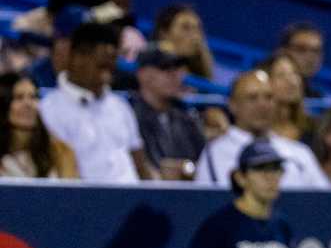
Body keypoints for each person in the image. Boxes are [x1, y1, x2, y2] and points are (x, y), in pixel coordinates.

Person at [39, 22, 153, 183]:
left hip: (132, 193)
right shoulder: (50, 109)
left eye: (112, 63)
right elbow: (60, 168)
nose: (108, 70)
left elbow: (139, 162)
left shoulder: (121, 106)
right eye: (101, 66)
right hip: (84, 195)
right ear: (77, 57)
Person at [194, 69, 329, 189]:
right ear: (233, 105)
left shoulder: (300, 153)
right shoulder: (214, 154)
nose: (262, 105)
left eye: (268, 97)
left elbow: (325, 200)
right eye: (252, 98)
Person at [129, 44, 205, 180]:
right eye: (165, 68)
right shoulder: (129, 117)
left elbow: (201, 163)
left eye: (177, 68)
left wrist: (188, 169)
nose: (175, 75)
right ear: (143, 75)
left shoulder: (187, 118)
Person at [0, 72, 78, 179]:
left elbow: (71, 188)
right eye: (19, 97)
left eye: (33, 97)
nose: (28, 104)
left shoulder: (60, 152)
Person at [257, 52, 312, 144]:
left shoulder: (312, 130)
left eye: (295, 73)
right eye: (281, 75)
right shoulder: (254, 128)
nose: (292, 81)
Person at [153, 4, 216, 82]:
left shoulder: (204, 73)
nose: (195, 37)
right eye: (185, 28)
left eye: (198, 29)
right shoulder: (146, 66)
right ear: (164, 32)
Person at [279, 22, 326, 98]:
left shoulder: (318, 98)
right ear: (283, 52)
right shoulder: (264, 93)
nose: (310, 57)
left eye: (316, 51)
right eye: (301, 49)